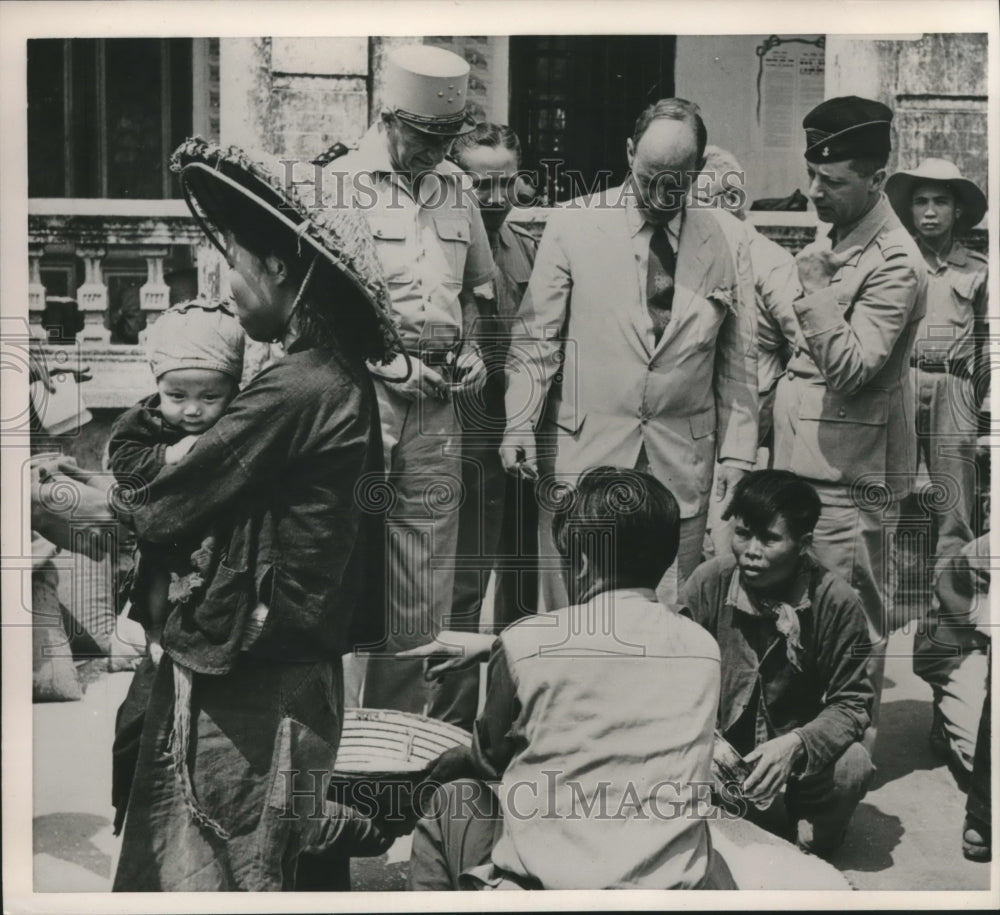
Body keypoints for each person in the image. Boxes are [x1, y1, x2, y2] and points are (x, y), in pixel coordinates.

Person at [111, 136, 401, 891]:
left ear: (279, 268)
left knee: (230, 865)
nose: (229, 290)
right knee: (289, 859)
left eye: (235, 266)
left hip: (256, 679)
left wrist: (88, 489)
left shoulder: (296, 388)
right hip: (296, 664)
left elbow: (165, 504)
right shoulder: (334, 376)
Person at [408, 467, 735, 890]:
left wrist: (461, 756)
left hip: (551, 891)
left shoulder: (527, 642)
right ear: (667, 556)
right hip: (666, 891)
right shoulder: (703, 648)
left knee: (452, 801)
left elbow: (491, 760)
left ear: (579, 564)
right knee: (710, 857)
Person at [501, 98, 757, 613]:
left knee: (666, 616)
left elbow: (737, 358)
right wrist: (519, 423)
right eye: (648, 176)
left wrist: (737, 453)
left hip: (679, 464)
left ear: (698, 171)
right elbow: (536, 339)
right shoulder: (575, 224)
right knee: (576, 618)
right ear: (628, 153)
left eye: (676, 181)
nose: (661, 193)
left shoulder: (728, 239)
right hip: (584, 455)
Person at [333, 44, 497, 719]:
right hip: (360, 400)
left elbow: (476, 293)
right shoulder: (337, 185)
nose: (436, 150)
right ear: (387, 116)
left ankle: (397, 744)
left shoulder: (457, 188)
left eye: (447, 137)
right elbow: (324, 305)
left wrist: (475, 351)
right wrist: (387, 362)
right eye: (425, 136)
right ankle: (333, 745)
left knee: (421, 581)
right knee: (343, 568)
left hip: (437, 409)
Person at [768, 96, 928, 735]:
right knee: (804, 612)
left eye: (831, 181)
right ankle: (808, 750)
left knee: (852, 618)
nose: (813, 192)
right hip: (808, 462)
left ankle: (846, 761)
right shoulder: (840, 232)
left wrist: (809, 288)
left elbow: (854, 368)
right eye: (812, 177)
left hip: (850, 478)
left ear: (876, 180)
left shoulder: (895, 260)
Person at [680, 470, 876, 858]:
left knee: (853, 766)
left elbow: (853, 704)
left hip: (798, 759)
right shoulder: (709, 582)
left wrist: (797, 744)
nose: (752, 550)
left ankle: (797, 834)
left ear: (803, 544)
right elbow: (673, 679)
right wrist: (710, 745)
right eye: (742, 533)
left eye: (769, 539)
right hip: (719, 761)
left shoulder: (836, 601)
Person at [438, 122, 540, 729]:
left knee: (522, 596)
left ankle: (506, 727)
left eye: (506, 180)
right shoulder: (439, 255)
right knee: (459, 594)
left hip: (523, 446)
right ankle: (442, 732)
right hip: (462, 450)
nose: (495, 195)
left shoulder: (530, 250)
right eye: (481, 183)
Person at [108, 300, 245, 666]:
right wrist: (164, 457)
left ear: (233, 392)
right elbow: (120, 459)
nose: (192, 409)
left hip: (212, 531)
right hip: (162, 528)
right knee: (154, 577)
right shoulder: (143, 421)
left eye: (210, 397)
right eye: (177, 396)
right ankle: (154, 633)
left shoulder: (239, 420)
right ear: (159, 388)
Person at [885, 158, 988, 561]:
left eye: (940, 202)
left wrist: (984, 404)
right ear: (909, 210)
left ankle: (953, 600)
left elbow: (988, 342)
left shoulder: (978, 272)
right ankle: (890, 602)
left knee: (955, 499)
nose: (930, 211)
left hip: (955, 386)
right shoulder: (896, 265)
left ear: (957, 210)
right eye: (921, 201)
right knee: (894, 491)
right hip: (901, 383)